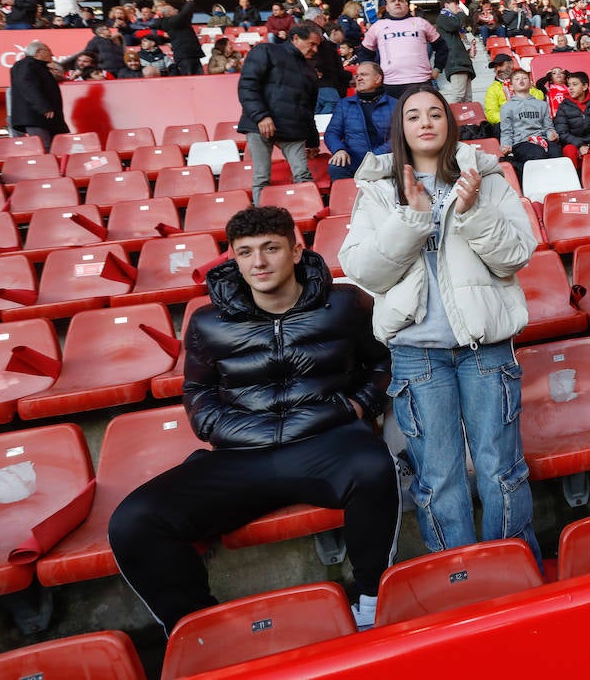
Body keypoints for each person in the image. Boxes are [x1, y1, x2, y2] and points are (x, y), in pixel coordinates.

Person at [108, 205, 399, 633]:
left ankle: (372, 601)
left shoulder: (345, 304)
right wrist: (225, 431)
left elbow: (382, 362)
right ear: (233, 257)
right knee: (134, 520)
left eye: (270, 248)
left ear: (296, 251)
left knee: (375, 467)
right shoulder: (208, 322)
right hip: (242, 455)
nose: (258, 262)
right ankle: (199, 628)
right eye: (245, 252)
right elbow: (199, 393)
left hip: (325, 443)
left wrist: (354, 409)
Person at [339, 86, 541, 564]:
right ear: (401, 127)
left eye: (436, 113)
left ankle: (514, 564)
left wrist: (472, 215)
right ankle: (458, 574)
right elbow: (364, 270)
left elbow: (516, 255)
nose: (426, 122)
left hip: (486, 349)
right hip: (416, 352)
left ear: (450, 123)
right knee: (439, 474)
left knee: (501, 469)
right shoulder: (378, 189)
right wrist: (411, 218)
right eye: (413, 116)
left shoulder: (487, 179)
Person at [237, 21, 323, 203]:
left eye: (317, 45)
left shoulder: (310, 71)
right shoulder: (266, 51)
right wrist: (261, 116)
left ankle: (308, 210)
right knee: (262, 177)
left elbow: (309, 108)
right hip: (259, 126)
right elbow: (247, 86)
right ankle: (263, 221)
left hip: (294, 129)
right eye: (312, 44)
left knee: (302, 174)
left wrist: (313, 141)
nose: (315, 49)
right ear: (296, 38)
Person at [360, 0, 444, 102]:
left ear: (406, 5)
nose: (397, 3)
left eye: (400, 0)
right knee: (394, 118)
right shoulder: (377, 26)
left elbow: (441, 46)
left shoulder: (421, 23)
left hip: (421, 82)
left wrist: (438, 68)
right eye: (393, 1)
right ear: (387, 7)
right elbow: (365, 53)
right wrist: (373, 76)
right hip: (390, 84)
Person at [325, 62, 395, 180]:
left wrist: (375, 157)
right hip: (354, 160)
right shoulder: (344, 104)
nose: (359, 78)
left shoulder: (395, 104)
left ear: (378, 78)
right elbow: (332, 133)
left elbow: (400, 137)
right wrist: (339, 150)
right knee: (336, 166)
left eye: (364, 74)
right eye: (357, 76)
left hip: (384, 159)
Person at [499, 67, 562, 175]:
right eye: (517, 79)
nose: (521, 80)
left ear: (530, 83)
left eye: (524, 78)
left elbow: (548, 127)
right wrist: (505, 145)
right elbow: (506, 131)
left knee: (556, 151)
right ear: (511, 86)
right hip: (521, 142)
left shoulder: (541, 104)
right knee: (537, 153)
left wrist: (551, 134)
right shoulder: (507, 107)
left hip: (541, 139)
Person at [8, 40, 67, 149]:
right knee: (45, 149)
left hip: (44, 118)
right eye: (49, 51)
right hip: (36, 117)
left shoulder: (37, 66)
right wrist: (43, 106)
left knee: (57, 148)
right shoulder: (26, 64)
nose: (52, 55)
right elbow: (27, 85)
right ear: (38, 52)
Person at [553, 71, 590, 166]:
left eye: (575, 84)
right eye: (569, 85)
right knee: (569, 151)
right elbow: (562, 132)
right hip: (574, 144)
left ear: (585, 86)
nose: (570, 88)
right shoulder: (563, 106)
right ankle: (574, 180)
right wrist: (579, 145)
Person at [435, 0, 476, 103]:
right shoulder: (442, 17)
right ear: (446, 5)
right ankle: (450, 118)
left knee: (467, 98)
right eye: (456, 4)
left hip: (462, 61)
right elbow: (455, 24)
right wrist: (461, 13)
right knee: (458, 95)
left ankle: (468, 119)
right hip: (455, 61)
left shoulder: (452, 19)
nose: (458, 7)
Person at [155, 0, 204, 75]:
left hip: (191, 54)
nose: (177, 10)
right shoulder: (172, 21)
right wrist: (189, 2)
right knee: (189, 79)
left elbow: (187, 15)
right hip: (185, 55)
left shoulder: (177, 22)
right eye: (173, 9)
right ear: (168, 14)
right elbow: (184, 14)